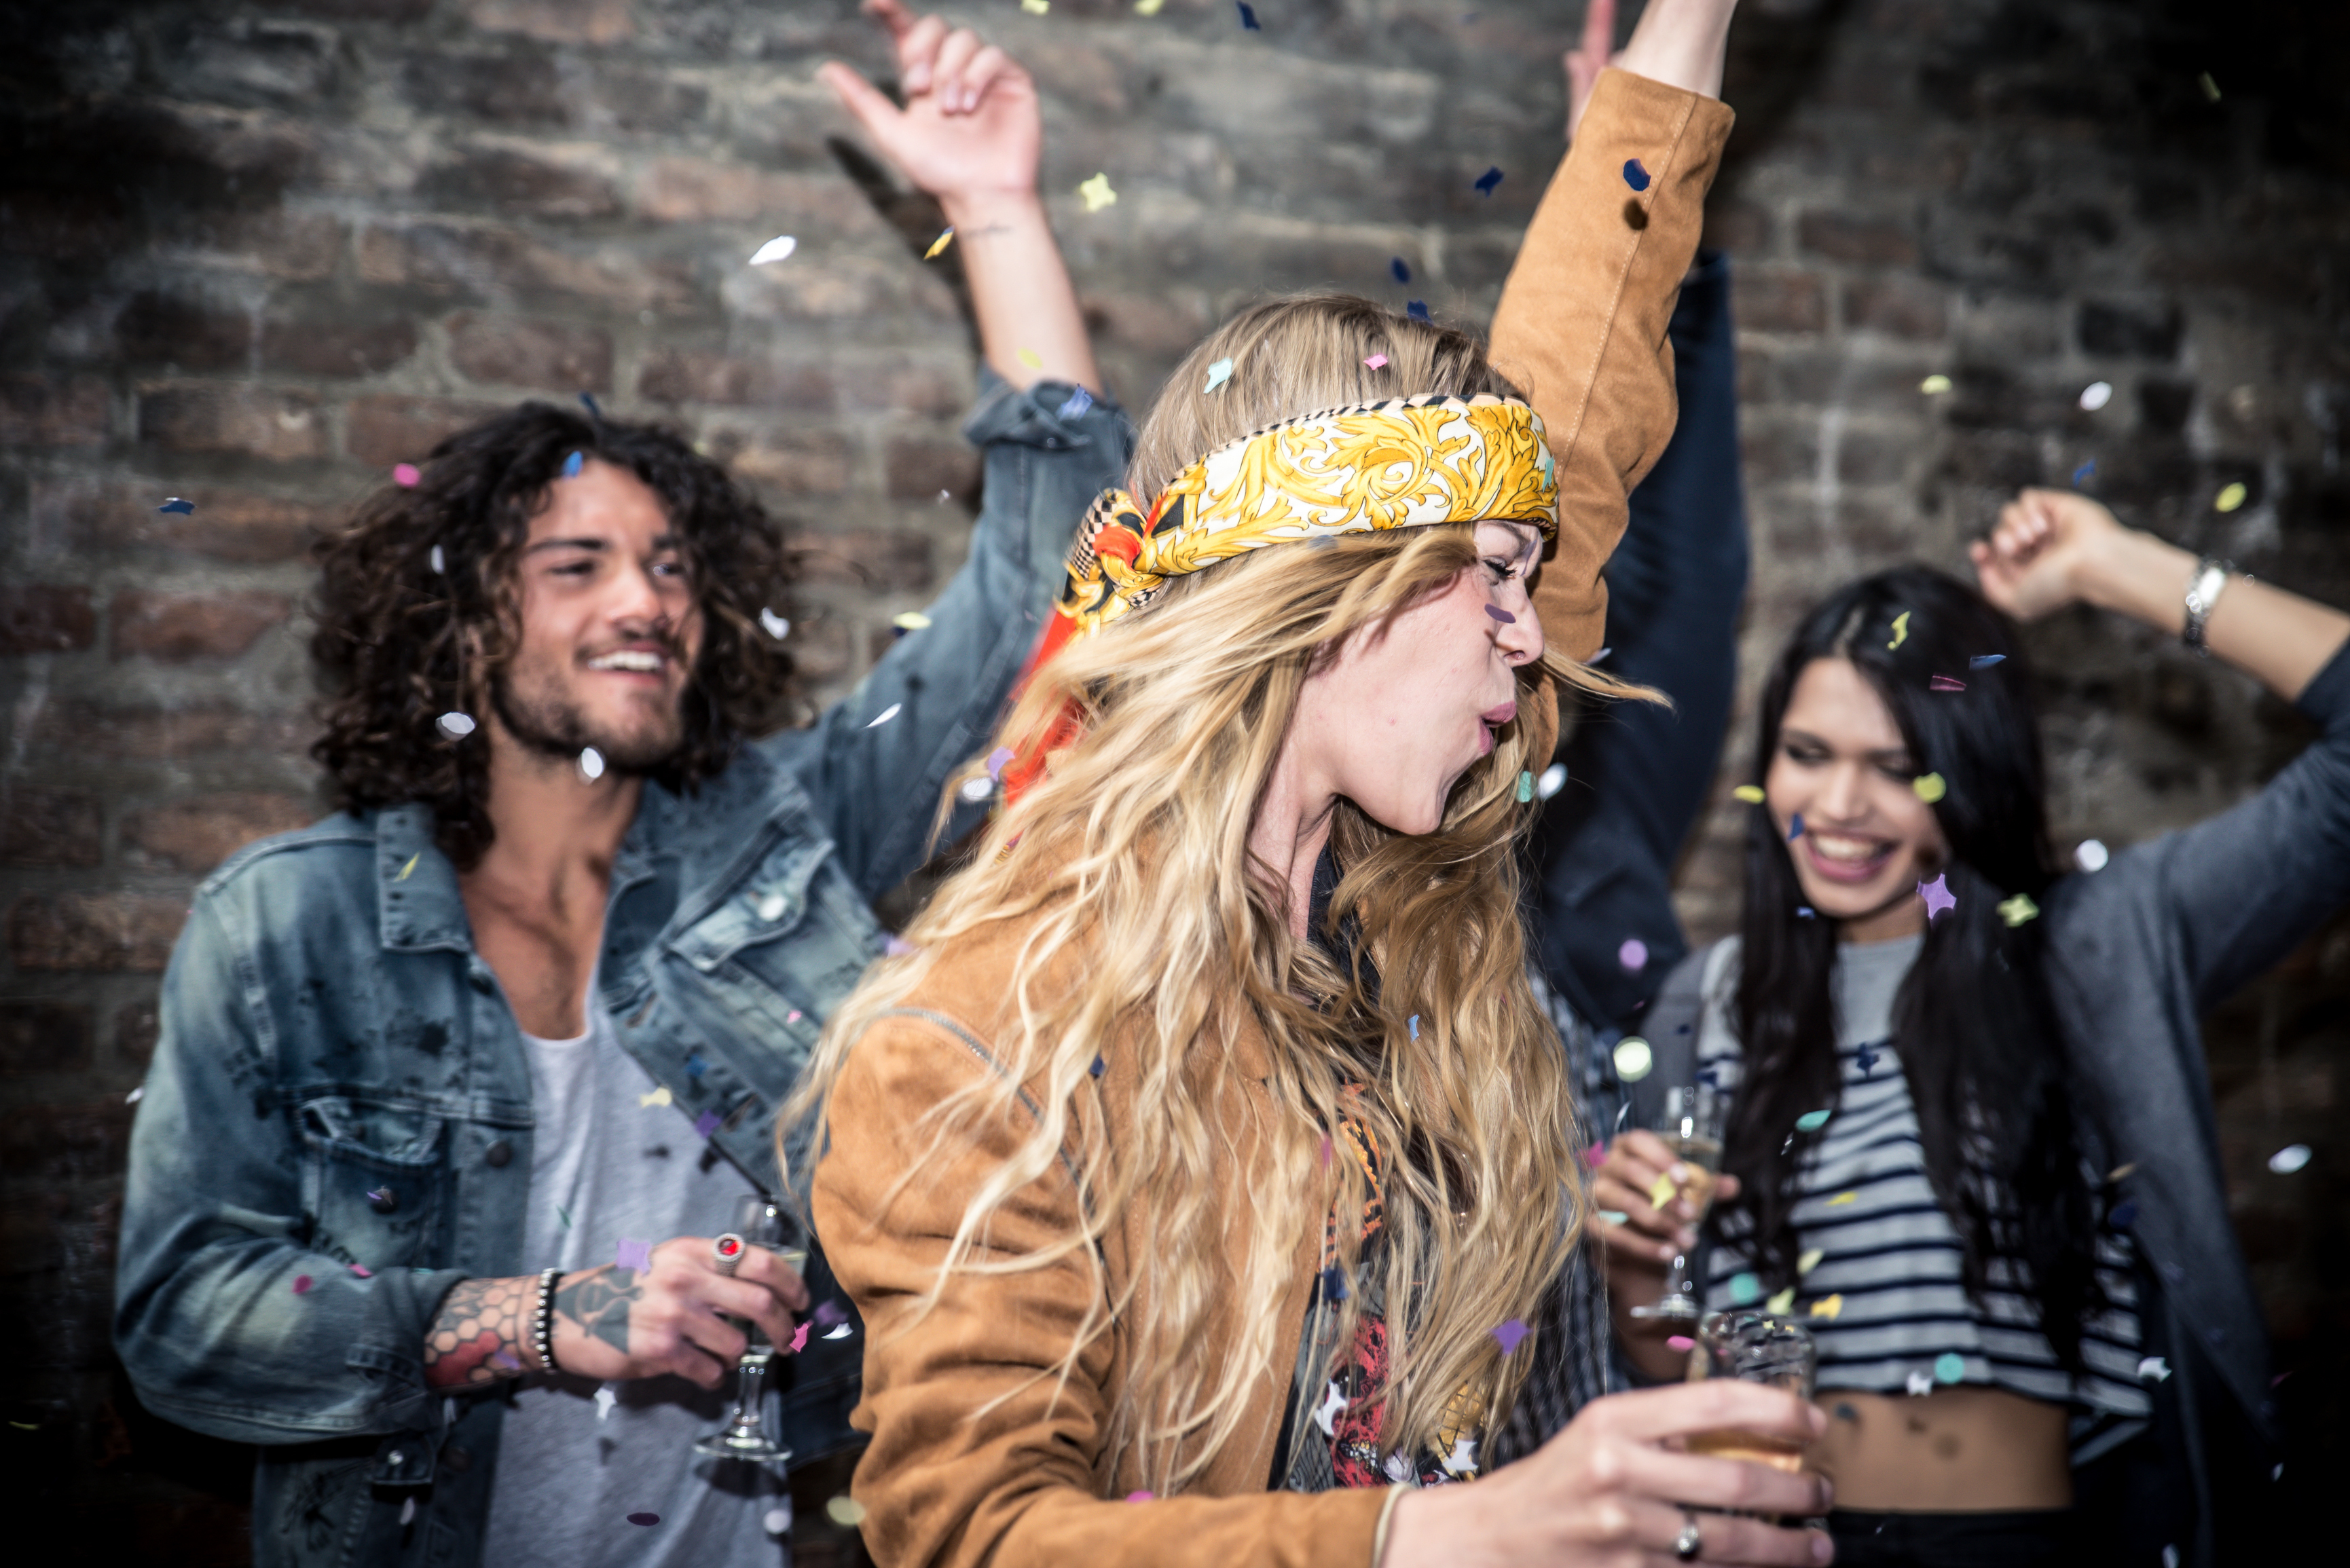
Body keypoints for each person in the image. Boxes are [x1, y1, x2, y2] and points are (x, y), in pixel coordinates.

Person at [794, 3, 1843, 1565]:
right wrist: (1437, 1543)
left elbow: (1590, 379)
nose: (1528, 637)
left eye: (1527, 581)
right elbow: (973, 1533)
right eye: (1491, 580)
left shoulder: (1401, 870)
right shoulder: (988, 1029)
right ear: (1326, 597)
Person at [111, 5, 1133, 1564]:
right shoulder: (287, 927)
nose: (643, 603)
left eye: (670, 568)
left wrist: (995, 211)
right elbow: (180, 1317)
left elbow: (1052, 581)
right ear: (461, 620)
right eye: (577, 566)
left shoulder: (783, 847)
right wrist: (539, 1319)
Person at [1593, 487, 2350, 1565]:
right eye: (1807, 753)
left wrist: (2113, 565)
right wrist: (1635, 1273)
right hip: (1775, 1544)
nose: (1838, 803)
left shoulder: (2087, 947)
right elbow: (1674, 1367)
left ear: (1968, 773)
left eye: (1897, 767)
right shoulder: (1707, 1001)